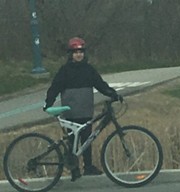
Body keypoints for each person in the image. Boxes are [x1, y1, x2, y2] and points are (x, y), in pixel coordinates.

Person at [44, 37, 122, 181]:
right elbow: (55, 87)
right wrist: (49, 102)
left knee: (87, 140)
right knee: (72, 141)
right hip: (71, 111)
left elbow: (100, 84)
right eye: (75, 52)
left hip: (86, 110)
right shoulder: (64, 70)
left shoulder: (89, 70)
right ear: (70, 54)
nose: (78, 54)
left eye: (80, 51)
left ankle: (88, 166)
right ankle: (75, 169)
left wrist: (113, 93)